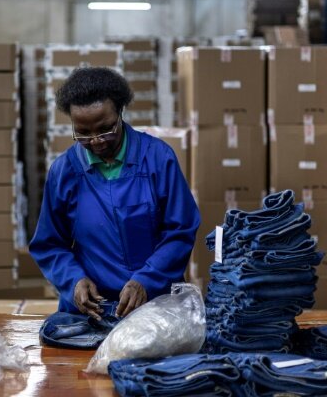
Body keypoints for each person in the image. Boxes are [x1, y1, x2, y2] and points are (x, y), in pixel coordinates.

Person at [29, 66, 201, 320]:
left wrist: (146, 280)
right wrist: (74, 281)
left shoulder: (157, 158)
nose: (96, 141)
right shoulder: (64, 172)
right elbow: (50, 244)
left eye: (105, 129)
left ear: (120, 113)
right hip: (92, 312)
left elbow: (180, 231)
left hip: (156, 305)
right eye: (83, 134)